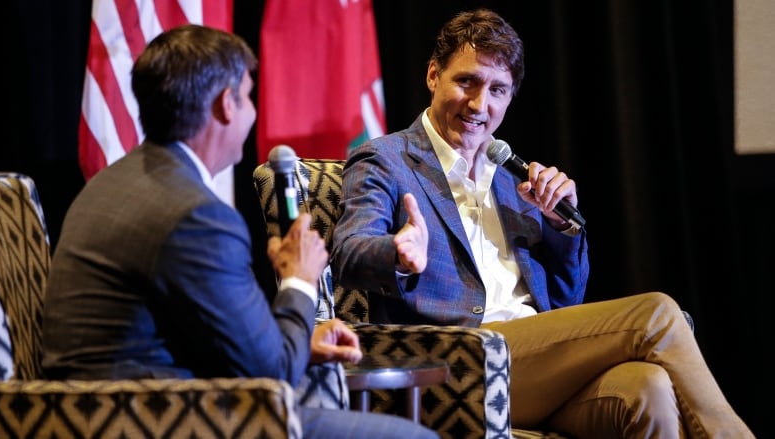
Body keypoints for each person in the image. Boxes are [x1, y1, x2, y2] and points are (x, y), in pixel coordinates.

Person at [331, 9, 753, 439]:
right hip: (453, 365)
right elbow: (348, 252)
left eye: (498, 89)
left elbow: (568, 299)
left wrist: (561, 227)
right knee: (658, 314)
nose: (480, 105)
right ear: (433, 75)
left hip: (533, 363)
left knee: (650, 388)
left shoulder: (514, 177)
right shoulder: (386, 159)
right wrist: (399, 254)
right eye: (466, 82)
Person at [41, 24, 438, 439]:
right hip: (154, 418)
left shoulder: (111, 182)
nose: (253, 111)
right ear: (226, 104)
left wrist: (295, 337)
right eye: (249, 96)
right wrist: (299, 281)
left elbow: (207, 331)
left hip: (85, 413)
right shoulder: (197, 216)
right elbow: (273, 372)